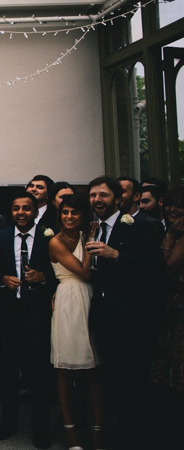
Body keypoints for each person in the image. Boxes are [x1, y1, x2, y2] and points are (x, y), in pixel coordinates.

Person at [85, 176, 164, 449]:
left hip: (133, 319)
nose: (98, 200)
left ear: (118, 199)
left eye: (104, 195)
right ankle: (117, 433)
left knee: (134, 382)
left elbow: (155, 272)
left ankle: (137, 437)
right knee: (112, 381)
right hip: (104, 318)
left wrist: (115, 254)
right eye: (93, 195)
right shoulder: (92, 227)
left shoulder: (140, 226)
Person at [0, 192, 55, 448]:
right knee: (7, 371)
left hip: (38, 314)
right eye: (16, 208)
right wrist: (2, 280)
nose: (21, 213)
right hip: (9, 312)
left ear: (35, 211)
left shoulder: (48, 237)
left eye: (26, 208)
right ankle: (9, 422)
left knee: (40, 373)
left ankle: (40, 428)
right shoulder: (1, 237)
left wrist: (45, 278)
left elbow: (59, 271)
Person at [47, 193, 103, 450]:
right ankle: (70, 433)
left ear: (83, 216)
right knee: (65, 369)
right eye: (65, 212)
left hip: (91, 301)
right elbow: (84, 271)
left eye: (75, 213)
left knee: (93, 369)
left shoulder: (85, 237)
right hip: (69, 301)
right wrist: (91, 240)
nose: (69, 217)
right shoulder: (56, 242)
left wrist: (89, 239)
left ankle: (97, 430)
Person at [152, 187, 184, 446]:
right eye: (170, 205)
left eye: (180, 206)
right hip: (169, 306)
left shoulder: (179, 234)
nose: (174, 210)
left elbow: (166, 266)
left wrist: (172, 235)